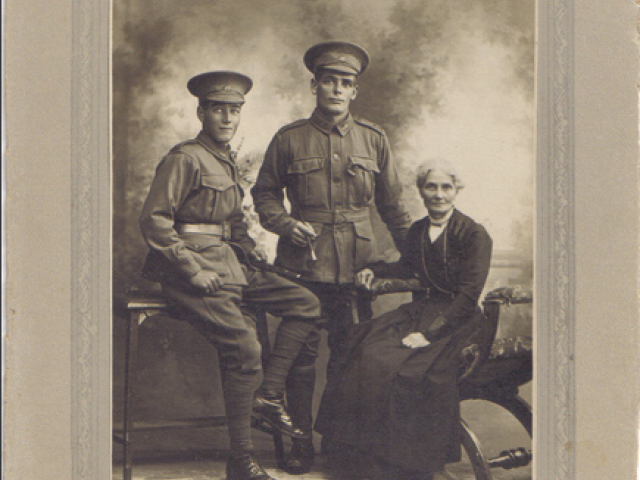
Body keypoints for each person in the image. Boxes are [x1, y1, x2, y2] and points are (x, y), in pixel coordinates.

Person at [139, 71, 322, 480]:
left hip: (231, 266)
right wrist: (192, 269)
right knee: (245, 348)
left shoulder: (225, 160)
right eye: (218, 109)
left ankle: (269, 396)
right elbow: (154, 222)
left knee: (305, 303)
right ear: (201, 112)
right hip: (191, 272)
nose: (227, 118)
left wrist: (254, 254)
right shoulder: (185, 158)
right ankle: (240, 461)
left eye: (234, 110)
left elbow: (232, 222)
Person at [251, 41, 412, 473]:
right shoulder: (289, 139)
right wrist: (286, 224)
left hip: (358, 268)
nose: (337, 90)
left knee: (350, 359)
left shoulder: (374, 139)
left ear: (354, 91)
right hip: (303, 266)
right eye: (329, 81)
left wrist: (417, 258)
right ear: (314, 85)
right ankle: (301, 444)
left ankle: (339, 445)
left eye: (345, 83)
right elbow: (264, 195)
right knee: (302, 362)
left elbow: (394, 207)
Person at [314, 158, 493, 480]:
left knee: (413, 372)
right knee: (363, 350)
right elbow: (406, 267)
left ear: (456, 191)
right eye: (431, 187)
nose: (438, 194)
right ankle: (360, 455)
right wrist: (374, 270)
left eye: (445, 187)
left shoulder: (474, 234)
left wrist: (430, 335)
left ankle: (408, 464)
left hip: (459, 320)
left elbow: (469, 296)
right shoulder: (418, 230)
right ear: (421, 191)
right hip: (420, 311)